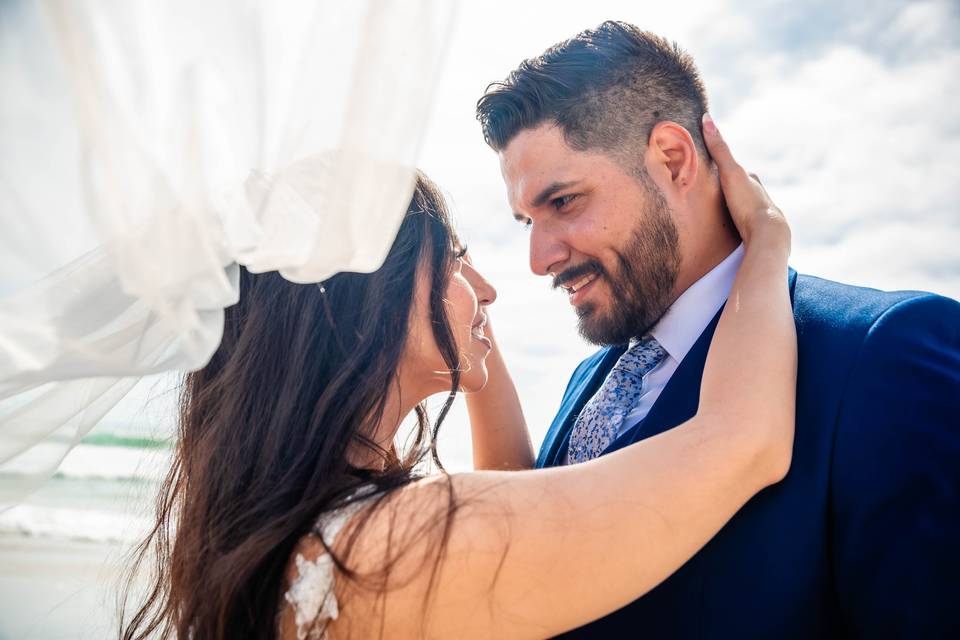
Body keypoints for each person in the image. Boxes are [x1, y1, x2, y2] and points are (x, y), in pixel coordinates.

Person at [121, 116, 794, 639]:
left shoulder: (312, 525)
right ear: (373, 299)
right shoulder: (387, 544)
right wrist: (765, 240)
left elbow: (508, 494)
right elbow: (743, 443)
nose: (490, 289)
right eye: (458, 260)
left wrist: (464, 317)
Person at [476, 20, 960, 639]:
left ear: (673, 160)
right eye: (526, 221)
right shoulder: (586, 383)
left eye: (564, 202)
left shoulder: (882, 353)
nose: (539, 257)